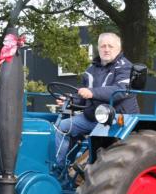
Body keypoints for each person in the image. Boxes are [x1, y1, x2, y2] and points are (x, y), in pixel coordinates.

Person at [54, 32, 138, 166]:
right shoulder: (91, 69)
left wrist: (92, 93)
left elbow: (120, 90)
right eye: (103, 46)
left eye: (110, 46)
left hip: (116, 120)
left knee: (104, 152)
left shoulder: (126, 67)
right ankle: (60, 168)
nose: (106, 49)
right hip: (92, 117)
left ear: (118, 48)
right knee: (62, 127)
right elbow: (82, 95)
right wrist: (69, 100)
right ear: (98, 48)